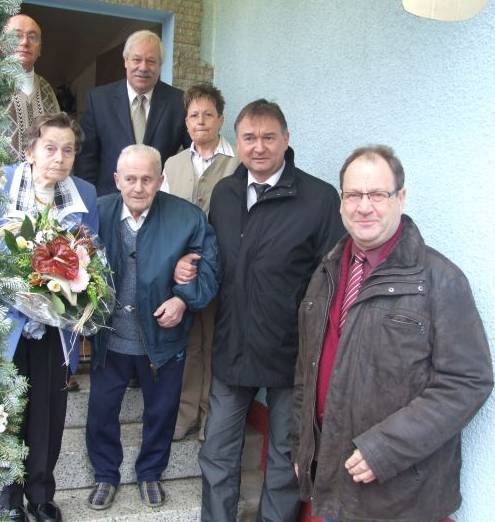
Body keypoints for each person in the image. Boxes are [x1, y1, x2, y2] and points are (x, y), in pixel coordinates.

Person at [292, 145, 493, 522]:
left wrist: (386, 449)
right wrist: (302, 449)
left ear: (401, 198)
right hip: (332, 480)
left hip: (401, 496)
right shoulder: (326, 274)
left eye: (377, 194)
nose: (363, 206)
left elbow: (468, 381)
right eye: (353, 194)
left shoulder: (439, 279)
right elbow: (307, 372)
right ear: (340, 203)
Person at [198, 99, 345, 522]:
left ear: (286, 140)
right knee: (217, 453)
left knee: (285, 457)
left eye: (268, 137)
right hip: (232, 345)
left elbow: (330, 279)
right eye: (249, 137)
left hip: (291, 353)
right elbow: (214, 260)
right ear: (238, 142)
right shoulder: (225, 193)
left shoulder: (318, 199)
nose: (258, 146)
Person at [85, 144, 218, 511]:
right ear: (117, 179)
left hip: (162, 340)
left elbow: (209, 274)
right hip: (110, 339)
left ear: (161, 180)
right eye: (130, 179)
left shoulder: (187, 218)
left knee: (160, 412)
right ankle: (105, 475)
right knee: (100, 410)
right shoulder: (98, 211)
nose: (139, 187)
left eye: (147, 179)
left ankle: (150, 473)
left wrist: (182, 299)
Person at [0, 112, 98, 522]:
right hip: (7, 325)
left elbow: (94, 256)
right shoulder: (4, 184)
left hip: (56, 327)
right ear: (31, 150)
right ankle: (7, 496)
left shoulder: (86, 195)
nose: (59, 157)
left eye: (68, 150)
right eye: (51, 148)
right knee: (8, 411)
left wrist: (80, 286)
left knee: (48, 412)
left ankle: (41, 494)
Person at [163, 83, 239, 441]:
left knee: (216, 342)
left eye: (209, 114)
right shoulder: (173, 163)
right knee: (189, 341)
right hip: (184, 270)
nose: (201, 120)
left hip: (224, 269)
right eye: (194, 114)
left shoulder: (238, 164)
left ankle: (211, 416)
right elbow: (161, 218)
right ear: (186, 121)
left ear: (221, 119)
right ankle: (185, 412)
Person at [74, 30, 190, 196]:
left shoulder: (179, 102)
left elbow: (192, 155)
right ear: (126, 61)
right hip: (109, 202)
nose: (143, 67)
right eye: (137, 59)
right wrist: (90, 201)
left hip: (160, 203)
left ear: (160, 65)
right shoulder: (99, 99)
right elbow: (86, 158)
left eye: (151, 61)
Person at [2, 15, 59, 164]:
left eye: (32, 37)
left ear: (39, 49)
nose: (25, 42)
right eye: (16, 36)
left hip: (41, 184)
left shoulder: (47, 89)